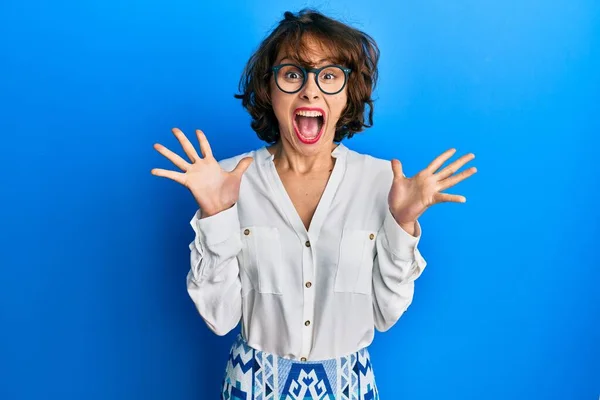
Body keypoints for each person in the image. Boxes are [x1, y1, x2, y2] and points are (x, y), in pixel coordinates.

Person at [151, 9, 476, 399]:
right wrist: (217, 216)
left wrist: (402, 224)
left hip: (349, 386)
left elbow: (385, 315)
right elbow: (220, 319)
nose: (310, 90)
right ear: (269, 91)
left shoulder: (383, 184)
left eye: (329, 75)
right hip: (251, 386)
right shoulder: (226, 181)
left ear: (347, 94)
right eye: (292, 74)